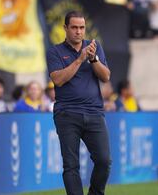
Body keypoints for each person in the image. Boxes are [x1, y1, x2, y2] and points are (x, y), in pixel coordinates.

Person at [46, 11, 112, 195]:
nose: (78, 31)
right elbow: (58, 79)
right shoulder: (55, 51)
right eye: (74, 27)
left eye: (82, 27)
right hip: (67, 113)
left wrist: (93, 59)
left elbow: (106, 76)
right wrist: (80, 59)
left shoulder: (94, 47)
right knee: (71, 165)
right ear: (65, 28)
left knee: (104, 161)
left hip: (94, 113)